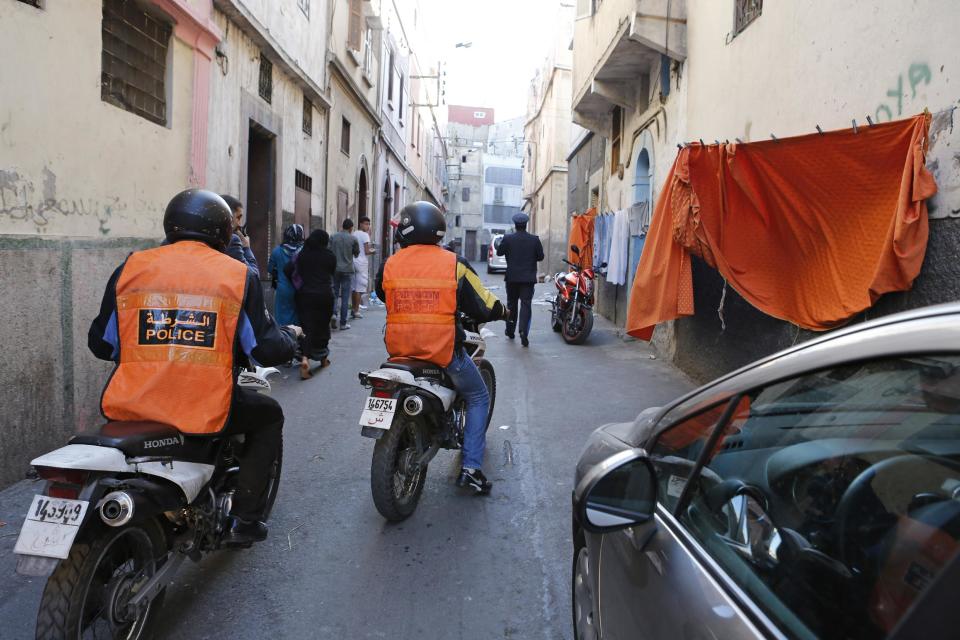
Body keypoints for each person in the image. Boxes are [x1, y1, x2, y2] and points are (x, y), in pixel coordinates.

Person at [88, 189, 300, 545]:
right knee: (268, 414)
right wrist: (292, 339)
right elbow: (265, 348)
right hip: (203, 408)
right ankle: (245, 520)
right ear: (223, 232)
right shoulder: (236, 275)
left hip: (132, 407)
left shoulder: (132, 267)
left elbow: (101, 344)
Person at [375, 202, 508, 494]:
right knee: (477, 396)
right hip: (442, 351)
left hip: (399, 352)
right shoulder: (454, 263)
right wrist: (503, 311)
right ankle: (471, 469)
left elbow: (381, 292)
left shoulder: (390, 263)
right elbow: (483, 303)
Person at [286, 229, 336, 380]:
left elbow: (289, 269)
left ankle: (305, 358)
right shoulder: (329, 256)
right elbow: (331, 273)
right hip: (324, 296)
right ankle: (323, 357)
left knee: (307, 328)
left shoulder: (302, 255)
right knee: (322, 325)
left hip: (305, 295)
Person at [496, 212, 544, 347]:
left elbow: (499, 252)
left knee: (511, 304)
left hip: (512, 278)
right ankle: (523, 331)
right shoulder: (534, 239)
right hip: (528, 279)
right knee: (526, 305)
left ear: (515, 225)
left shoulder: (508, 238)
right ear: (526, 224)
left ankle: (510, 331)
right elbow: (540, 257)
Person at [268, 223, 305, 326]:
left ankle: (283, 339)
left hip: (282, 290)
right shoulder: (304, 251)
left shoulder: (277, 251)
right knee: (297, 318)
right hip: (299, 288)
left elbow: (270, 269)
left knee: (281, 319)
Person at [329, 218, 360, 330]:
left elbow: (329, 250)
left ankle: (333, 314)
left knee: (335, 293)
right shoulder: (353, 239)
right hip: (347, 270)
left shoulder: (333, 237)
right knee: (345, 296)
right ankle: (343, 323)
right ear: (351, 228)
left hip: (335, 269)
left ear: (342, 226)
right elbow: (356, 254)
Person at [220, 195, 259, 276]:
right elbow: (253, 277)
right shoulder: (232, 240)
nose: (240, 224)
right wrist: (246, 248)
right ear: (228, 216)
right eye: (238, 217)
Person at [351, 216, 376, 319]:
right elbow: (366, 251)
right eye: (366, 224)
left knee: (354, 287)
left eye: (369, 224)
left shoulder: (354, 234)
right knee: (360, 288)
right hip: (361, 263)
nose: (368, 226)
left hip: (353, 262)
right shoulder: (365, 235)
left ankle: (353, 309)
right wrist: (373, 251)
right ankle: (356, 311)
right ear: (360, 224)